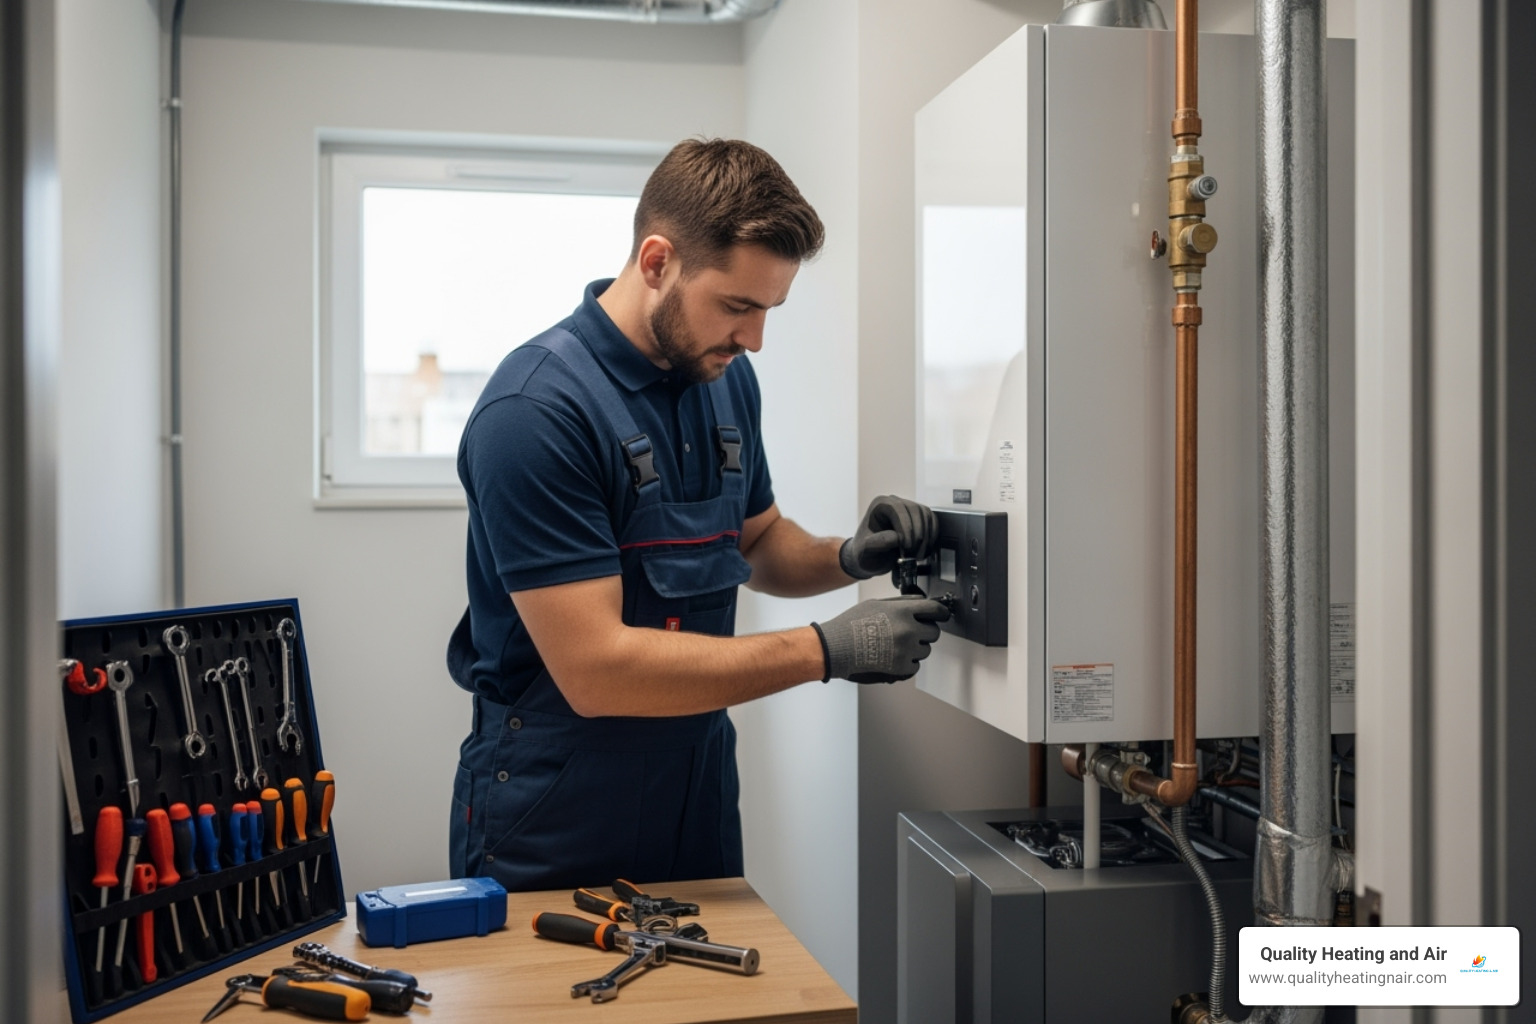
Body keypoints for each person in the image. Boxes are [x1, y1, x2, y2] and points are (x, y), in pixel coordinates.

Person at [447, 138, 949, 892]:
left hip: (698, 778)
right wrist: (826, 650)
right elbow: (597, 670)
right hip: (555, 799)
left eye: (769, 310)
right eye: (738, 306)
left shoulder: (721, 378)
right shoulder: (535, 412)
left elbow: (759, 542)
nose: (753, 340)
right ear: (657, 263)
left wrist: (850, 556)